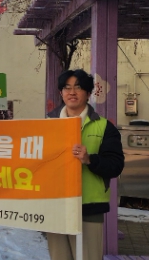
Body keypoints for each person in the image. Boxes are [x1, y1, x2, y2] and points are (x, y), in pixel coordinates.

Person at [46, 69, 124, 260]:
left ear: (88, 94)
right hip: (55, 205)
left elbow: (115, 165)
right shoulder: (46, 125)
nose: (72, 92)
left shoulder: (104, 127)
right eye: (67, 88)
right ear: (61, 93)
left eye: (78, 87)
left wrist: (90, 160)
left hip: (89, 207)